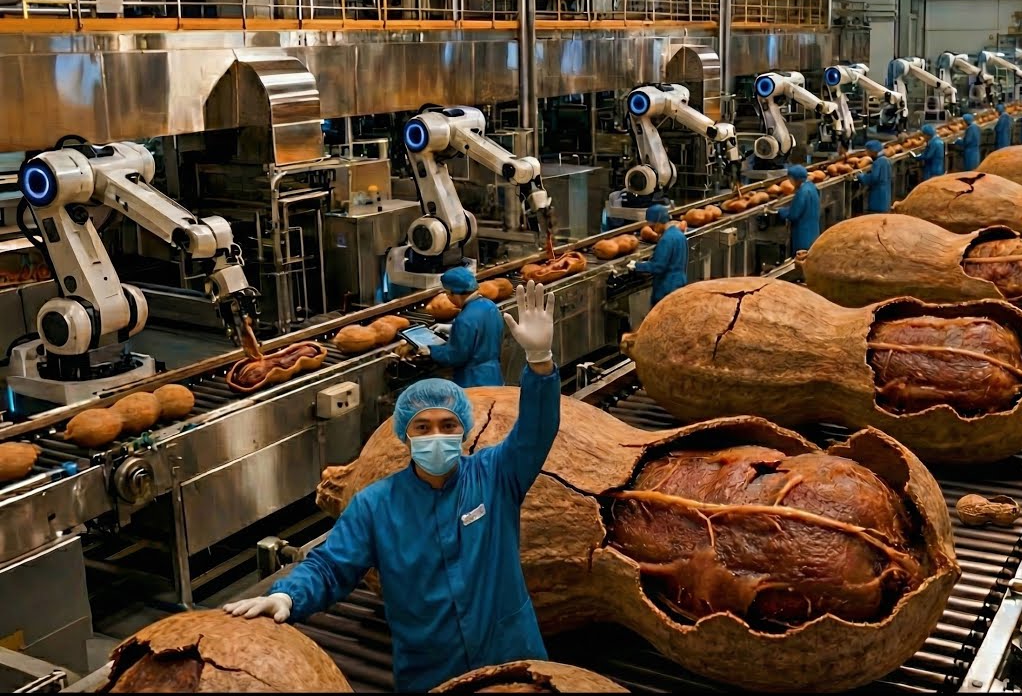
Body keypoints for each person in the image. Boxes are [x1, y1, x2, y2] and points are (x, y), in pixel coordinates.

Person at [223, 282, 561, 692]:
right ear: (406, 436)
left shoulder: (495, 475)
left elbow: (535, 432)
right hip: (433, 671)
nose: (436, 435)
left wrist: (540, 362)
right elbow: (331, 566)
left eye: (447, 425)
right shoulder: (376, 506)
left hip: (510, 655)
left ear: (464, 431)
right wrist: (288, 596)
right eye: (423, 427)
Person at [424, 266, 505, 387]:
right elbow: (484, 330)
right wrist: (453, 329)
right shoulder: (490, 305)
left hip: (474, 380)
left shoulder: (464, 319)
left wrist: (430, 351)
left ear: (454, 293)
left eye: (447, 293)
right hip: (494, 375)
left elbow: (455, 356)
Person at [629, 203, 687, 305]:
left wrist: (636, 265)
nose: (653, 229)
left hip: (666, 288)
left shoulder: (666, 239)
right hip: (680, 283)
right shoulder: (680, 235)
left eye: (652, 225)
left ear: (659, 223)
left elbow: (658, 266)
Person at [778, 164, 819, 256]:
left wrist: (781, 212)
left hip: (803, 233)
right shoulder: (812, 187)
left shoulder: (802, 192)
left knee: (802, 258)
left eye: (790, 179)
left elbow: (794, 215)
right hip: (813, 230)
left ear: (794, 178)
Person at [859, 140, 893, 212]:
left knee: (877, 215)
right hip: (886, 192)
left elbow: (873, 178)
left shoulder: (877, 162)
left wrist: (861, 176)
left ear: (873, 151)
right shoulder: (886, 160)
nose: (867, 153)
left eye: (868, 151)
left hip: (878, 194)